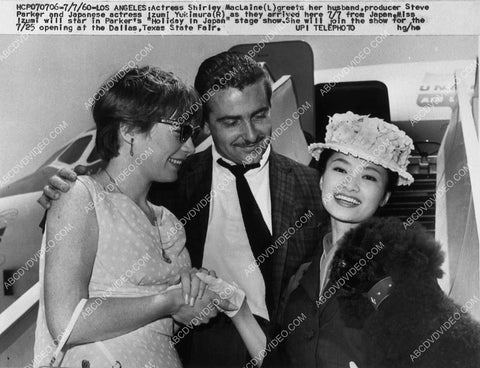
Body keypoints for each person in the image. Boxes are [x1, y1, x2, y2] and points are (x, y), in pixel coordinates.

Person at [38, 52, 325, 367]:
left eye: (259, 115)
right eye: (230, 121)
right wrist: (63, 193)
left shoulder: (313, 186)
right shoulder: (169, 182)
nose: (252, 134)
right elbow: (95, 219)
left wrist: (195, 296)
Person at [34, 66, 234, 367]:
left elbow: (162, 326)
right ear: (128, 130)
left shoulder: (169, 222)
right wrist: (169, 301)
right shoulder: (79, 195)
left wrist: (194, 297)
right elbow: (67, 325)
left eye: (194, 134)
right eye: (181, 130)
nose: (191, 146)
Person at [272, 111, 415, 368]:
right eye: (340, 169)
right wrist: (239, 312)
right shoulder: (305, 270)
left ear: (385, 196)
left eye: (369, 176)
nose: (350, 185)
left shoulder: (399, 272)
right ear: (321, 179)